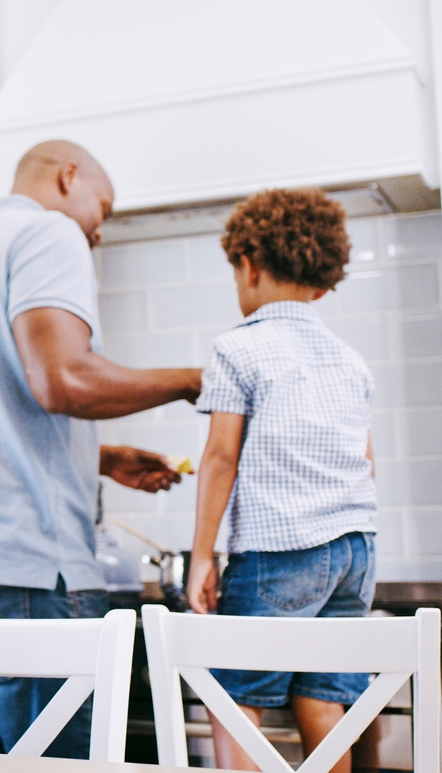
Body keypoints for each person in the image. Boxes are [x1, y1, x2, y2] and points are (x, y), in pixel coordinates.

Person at [0, 140, 204, 757]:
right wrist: (193, 379)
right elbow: (62, 379)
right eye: (104, 208)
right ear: (69, 177)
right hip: (30, 576)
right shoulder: (49, 235)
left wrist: (100, 456)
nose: (98, 231)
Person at [186, 188, 376, 773]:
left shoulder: (237, 349)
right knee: (326, 700)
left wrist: (202, 557)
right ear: (321, 278)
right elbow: (367, 462)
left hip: (277, 551)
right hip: (355, 551)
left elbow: (220, 458)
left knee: (236, 698)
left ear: (248, 263)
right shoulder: (350, 359)